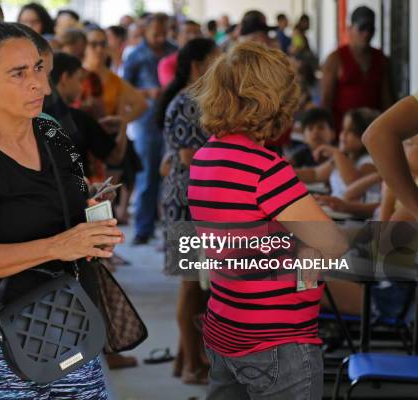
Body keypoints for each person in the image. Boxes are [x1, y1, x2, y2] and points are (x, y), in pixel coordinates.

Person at [0, 21, 123, 397]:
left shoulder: (54, 137)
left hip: (69, 319)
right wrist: (58, 246)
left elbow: (64, 212)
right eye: (19, 74)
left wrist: (91, 227)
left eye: (38, 68)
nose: (40, 84)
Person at [188, 41, 347, 399]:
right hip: (277, 340)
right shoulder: (265, 170)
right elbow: (333, 243)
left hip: (224, 327)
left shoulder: (204, 158)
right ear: (275, 100)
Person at [159, 38, 217, 385]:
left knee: (199, 285)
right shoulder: (188, 102)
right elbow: (187, 157)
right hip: (187, 202)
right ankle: (193, 363)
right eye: (215, 61)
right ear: (197, 66)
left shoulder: (193, 100)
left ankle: (185, 359)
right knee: (191, 285)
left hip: (194, 199)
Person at [123, 13, 177, 244]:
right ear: (145, 31)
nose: (159, 37)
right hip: (145, 120)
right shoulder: (135, 55)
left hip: (172, 120)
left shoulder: (174, 51)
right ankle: (143, 229)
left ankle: (169, 231)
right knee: (146, 175)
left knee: (172, 175)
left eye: (163, 33)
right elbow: (124, 88)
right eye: (155, 33)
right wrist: (147, 93)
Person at [52, 52, 127, 176]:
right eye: (78, 79)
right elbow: (114, 157)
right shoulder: (77, 118)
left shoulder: (33, 116)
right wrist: (123, 127)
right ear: (65, 78)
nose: (81, 88)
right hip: (75, 191)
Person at [296, 108, 380, 218]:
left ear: (365, 136)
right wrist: (282, 172)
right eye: (343, 129)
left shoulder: (368, 162)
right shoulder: (342, 158)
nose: (344, 134)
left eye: (351, 131)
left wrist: (336, 153)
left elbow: (352, 183)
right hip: (334, 211)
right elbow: (314, 174)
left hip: (351, 215)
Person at [321, 6, 392, 131]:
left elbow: (387, 99)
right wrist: (328, 132)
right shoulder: (335, 58)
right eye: (362, 28)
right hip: (343, 131)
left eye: (370, 29)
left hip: (373, 130)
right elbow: (326, 101)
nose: (366, 34)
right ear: (350, 29)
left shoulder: (381, 59)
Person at [363, 93, 418, 218]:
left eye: (411, 144)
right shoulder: (398, 181)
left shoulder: (397, 182)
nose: (404, 149)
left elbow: (376, 136)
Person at [157, 19, 202, 87]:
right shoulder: (167, 63)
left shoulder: (209, 59)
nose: (193, 36)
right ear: (178, 37)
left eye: (197, 32)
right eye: (188, 32)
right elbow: (172, 90)